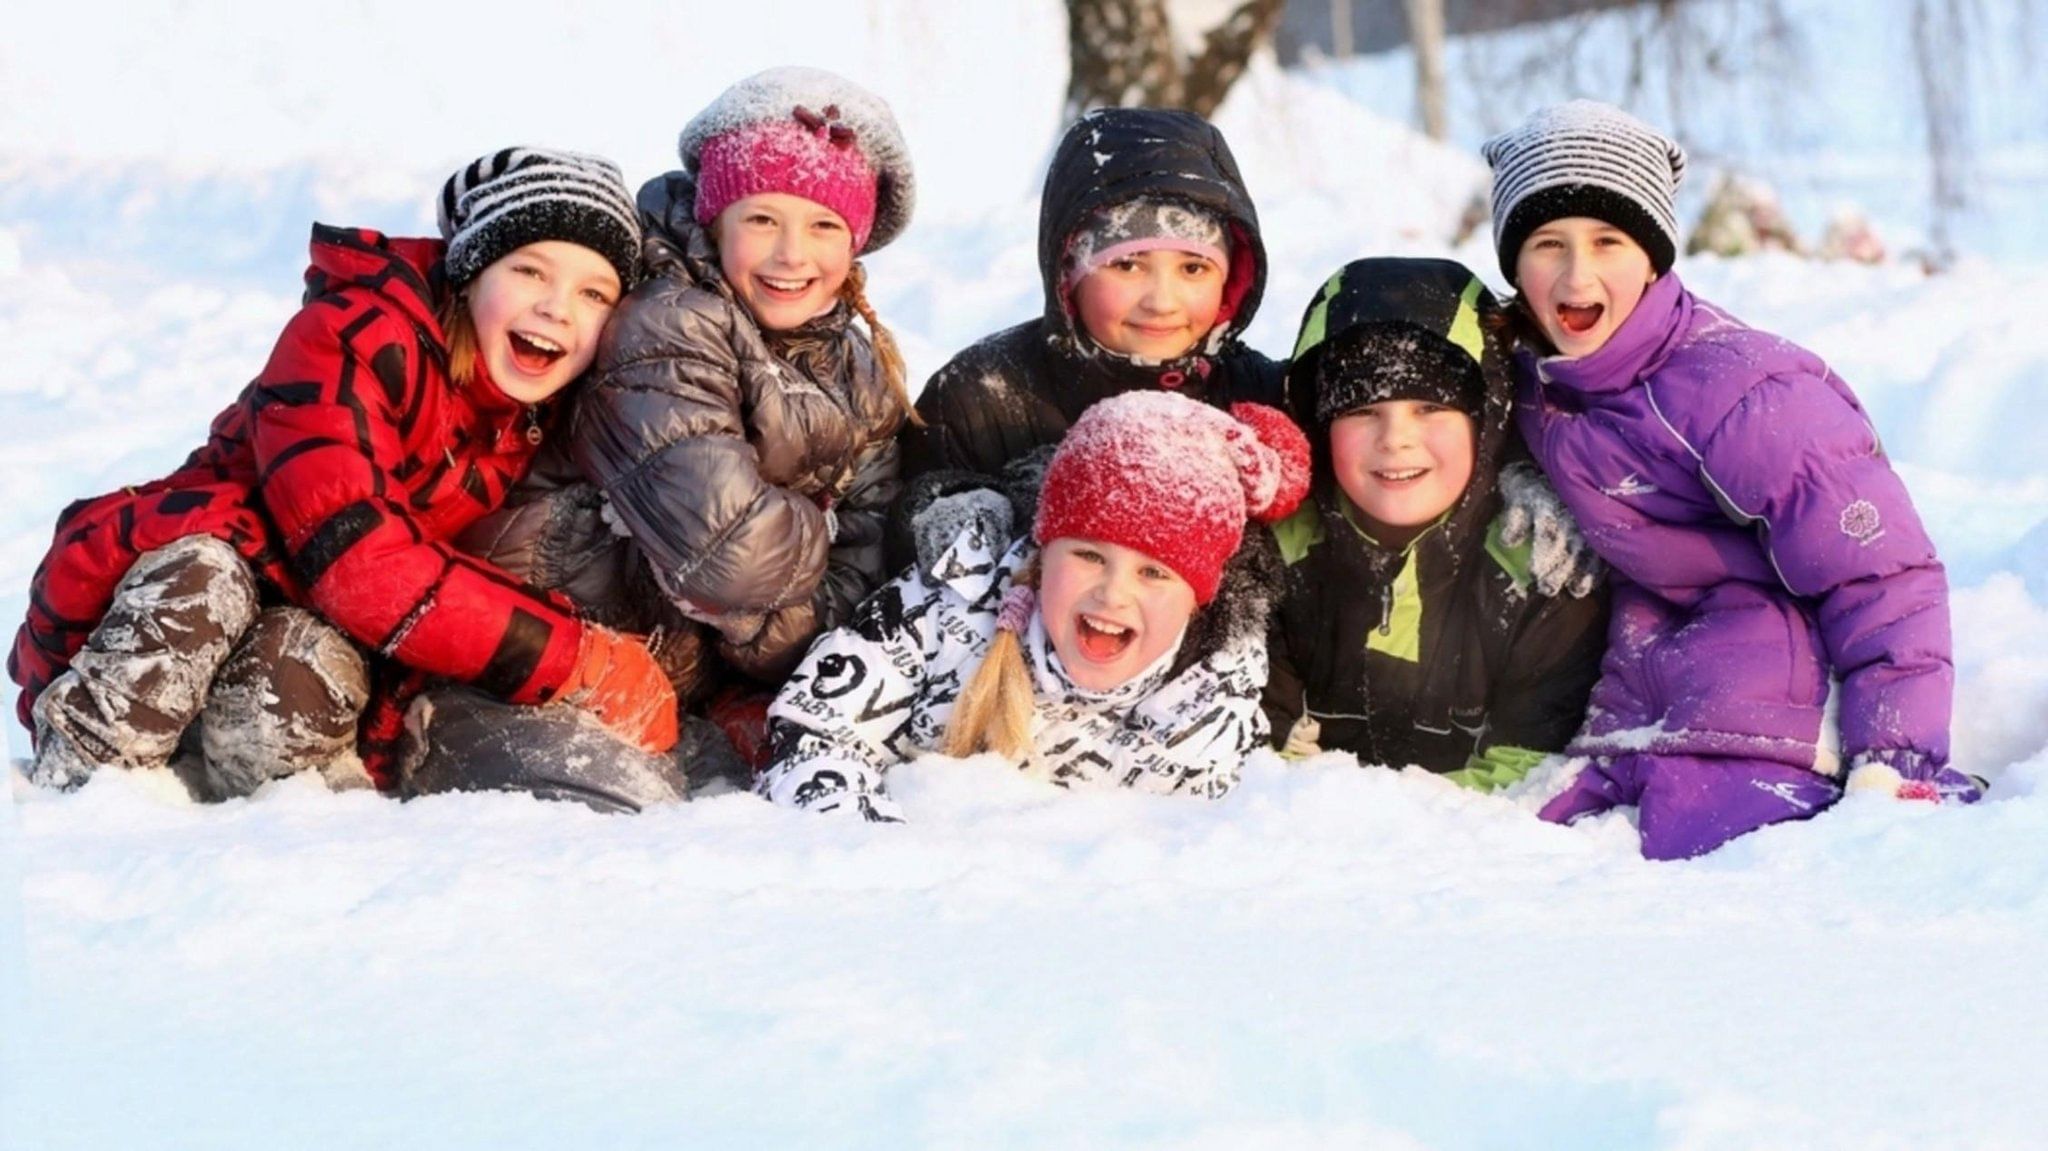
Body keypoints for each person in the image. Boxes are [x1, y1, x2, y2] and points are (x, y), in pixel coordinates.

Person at [11, 147, 674, 798]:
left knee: (303, 666)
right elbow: (361, 562)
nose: (558, 307)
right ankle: (87, 786)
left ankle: (229, 806)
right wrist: (576, 658)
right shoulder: (353, 335)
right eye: (530, 271)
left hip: (315, 614)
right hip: (214, 565)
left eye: (594, 293)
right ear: (471, 271)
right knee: (204, 586)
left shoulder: (527, 412)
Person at [1483, 100, 1980, 859]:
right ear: (1515, 265)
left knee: (1706, 844)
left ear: (1652, 256)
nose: (1577, 272)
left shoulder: (1744, 394)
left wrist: (1895, 759)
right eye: (1547, 243)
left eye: (1608, 240)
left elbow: (1880, 576)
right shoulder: (1534, 386)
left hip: (1771, 677)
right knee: (1540, 839)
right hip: (1644, 675)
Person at [406, 67, 918, 804]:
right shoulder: (665, 318)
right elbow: (727, 560)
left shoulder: (856, 369)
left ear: (857, 243)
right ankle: (440, 737)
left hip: (675, 676)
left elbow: (862, 574)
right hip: (543, 652)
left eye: (824, 226)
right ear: (714, 220)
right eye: (762, 220)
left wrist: (764, 619)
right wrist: (819, 520)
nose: (791, 255)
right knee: (618, 818)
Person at [758, 391, 1310, 822]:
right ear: (1044, 553)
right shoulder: (947, 604)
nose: (1113, 593)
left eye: (1153, 572)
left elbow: (1185, 846)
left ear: (1198, 600)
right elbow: (813, 732)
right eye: (1090, 555)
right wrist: (891, 858)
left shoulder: (1211, 686)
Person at [1264, 258, 1608, 790]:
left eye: (1430, 408)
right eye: (1361, 411)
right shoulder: (1279, 559)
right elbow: (1259, 753)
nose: (1395, 439)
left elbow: (1532, 772)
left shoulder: (1538, 567)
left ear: (1485, 422)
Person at [891, 105, 1283, 572]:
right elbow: (904, 533)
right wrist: (970, 519)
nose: (1162, 301)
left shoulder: (1255, 395)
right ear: (1068, 273)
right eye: (1127, 265)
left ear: (1231, 279)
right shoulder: (981, 395)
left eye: (1193, 269)